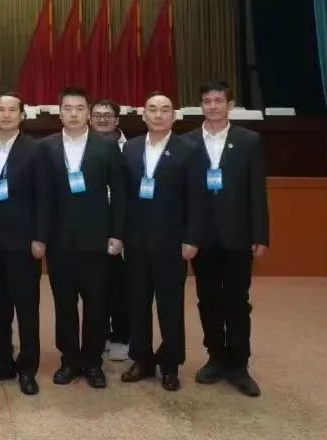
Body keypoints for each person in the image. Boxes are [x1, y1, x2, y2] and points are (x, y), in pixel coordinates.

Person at [39, 87, 125, 389]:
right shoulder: (46, 147)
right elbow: (42, 197)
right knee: (64, 304)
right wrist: (41, 236)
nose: (74, 114)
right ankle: (69, 361)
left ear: (88, 112)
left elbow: (120, 193)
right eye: (68, 108)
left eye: (79, 108)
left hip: (97, 239)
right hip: (59, 240)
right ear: (59, 112)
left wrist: (118, 233)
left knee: (96, 304)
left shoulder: (106, 146)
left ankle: (92, 362)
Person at [189, 81, 269, 397]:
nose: (212, 106)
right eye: (207, 101)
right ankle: (215, 357)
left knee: (237, 301)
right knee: (207, 300)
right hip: (202, 237)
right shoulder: (187, 142)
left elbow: (257, 191)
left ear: (230, 105)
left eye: (218, 100)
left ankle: (238, 364)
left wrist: (260, 234)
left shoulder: (249, 141)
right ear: (201, 105)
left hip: (238, 236)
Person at [120, 92, 202, 392]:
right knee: (137, 303)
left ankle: (170, 364)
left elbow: (197, 198)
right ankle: (141, 359)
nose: (158, 115)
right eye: (152, 109)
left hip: (172, 242)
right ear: (143, 115)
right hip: (136, 241)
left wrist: (192, 238)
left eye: (164, 109)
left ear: (173, 116)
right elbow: (123, 197)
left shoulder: (189, 149)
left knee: (170, 306)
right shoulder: (130, 148)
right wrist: (121, 235)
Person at [0, 92, 47, 396]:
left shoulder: (36, 150)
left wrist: (40, 237)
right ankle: (2, 361)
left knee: (26, 307)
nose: (4, 114)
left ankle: (27, 368)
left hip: (25, 241)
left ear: (21, 115)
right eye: (0, 109)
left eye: (11, 109)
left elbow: (44, 197)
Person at [90, 98, 130, 363]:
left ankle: (122, 337)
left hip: (124, 227)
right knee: (97, 287)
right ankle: (101, 334)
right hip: (93, 227)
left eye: (108, 115)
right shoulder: (83, 147)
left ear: (117, 120)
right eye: (97, 115)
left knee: (122, 287)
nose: (102, 119)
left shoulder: (132, 148)